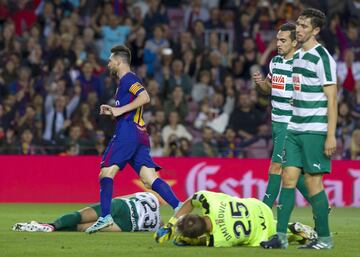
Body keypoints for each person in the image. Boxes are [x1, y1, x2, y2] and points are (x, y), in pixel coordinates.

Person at [260, 8, 337, 250]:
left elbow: (332, 99)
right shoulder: (298, 58)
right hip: (293, 127)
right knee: (288, 178)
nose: (300, 29)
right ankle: (280, 236)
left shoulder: (322, 58)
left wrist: (331, 135)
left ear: (315, 30)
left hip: (314, 129)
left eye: (304, 26)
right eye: (299, 25)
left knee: (313, 184)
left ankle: (325, 238)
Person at [85, 45, 181, 234]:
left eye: (111, 60)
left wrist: (119, 110)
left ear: (119, 62)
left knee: (106, 173)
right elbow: (133, 106)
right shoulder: (123, 83)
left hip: (127, 134)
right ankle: (179, 208)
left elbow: (145, 97)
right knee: (149, 179)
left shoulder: (129, 78)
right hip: (139, 135)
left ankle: (105, 217)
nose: (108, 63)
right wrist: (114, 110)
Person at [252, 23, 310, 208]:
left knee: (275, 166)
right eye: (278, 39)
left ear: (294, 42)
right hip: (276, 122)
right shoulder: (275, 61)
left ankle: (263, 211)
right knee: (289, 169)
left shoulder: (300, 65)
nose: (279, 43)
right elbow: (269, 89)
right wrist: (261, 83)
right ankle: (319, 203)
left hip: (289, 124)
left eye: (283, 40)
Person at [154, 190, 317, 247]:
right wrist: (172, 224)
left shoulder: (218, 239)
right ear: (197, 214)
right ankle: (294, 230)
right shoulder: (209, 202)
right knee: (273, 226)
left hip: (259, 231)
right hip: (256, 207)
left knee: (272, 234)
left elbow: (203, 241)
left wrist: (186, 240)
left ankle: (292, 231)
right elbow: (190, 202)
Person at [12, 192, 161, 233]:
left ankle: (51, 225)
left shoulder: (151, 197)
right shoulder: (154, 225)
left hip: (122, 206)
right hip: (129, 225)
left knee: (80, 216)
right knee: (84, 227)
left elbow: (124, 198)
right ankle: (49, 228)